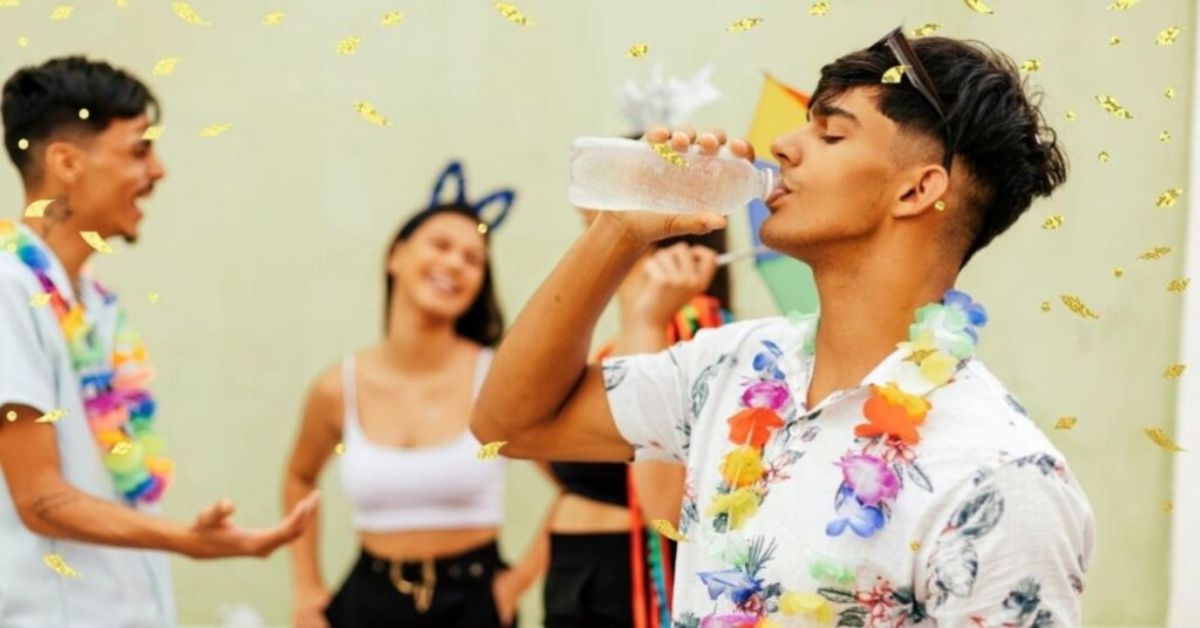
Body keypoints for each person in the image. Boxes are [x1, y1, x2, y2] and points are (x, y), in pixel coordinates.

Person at [473, 28, 1096, 626]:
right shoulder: (733, 366)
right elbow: (508, 424)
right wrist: (618, 230)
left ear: (916, 191)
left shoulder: (1002, 478)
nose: (782, 146)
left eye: (830, 135)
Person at [0, 57, 318, 628]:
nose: (159, 172)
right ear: (67, 163)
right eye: (139, 151)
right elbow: (40, 497)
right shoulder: (8, 288)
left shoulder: (95, 305)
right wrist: (192, 541)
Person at [284, 162, 546, 628]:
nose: (453, 264)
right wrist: (306, 590)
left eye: (473, 259)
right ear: (396, 256)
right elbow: (299, 479)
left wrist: (516, 583)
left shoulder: (498, 380)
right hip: (365, 601)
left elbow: (580, 486)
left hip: (474, 601)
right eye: (441, 245)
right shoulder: (335, 388)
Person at [544, 232, 728, 628]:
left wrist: (648, 322)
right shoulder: (611, 345)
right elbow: (524, 435)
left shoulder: (697, 332)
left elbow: (668, 506)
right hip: (572, 575)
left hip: (633, 584)